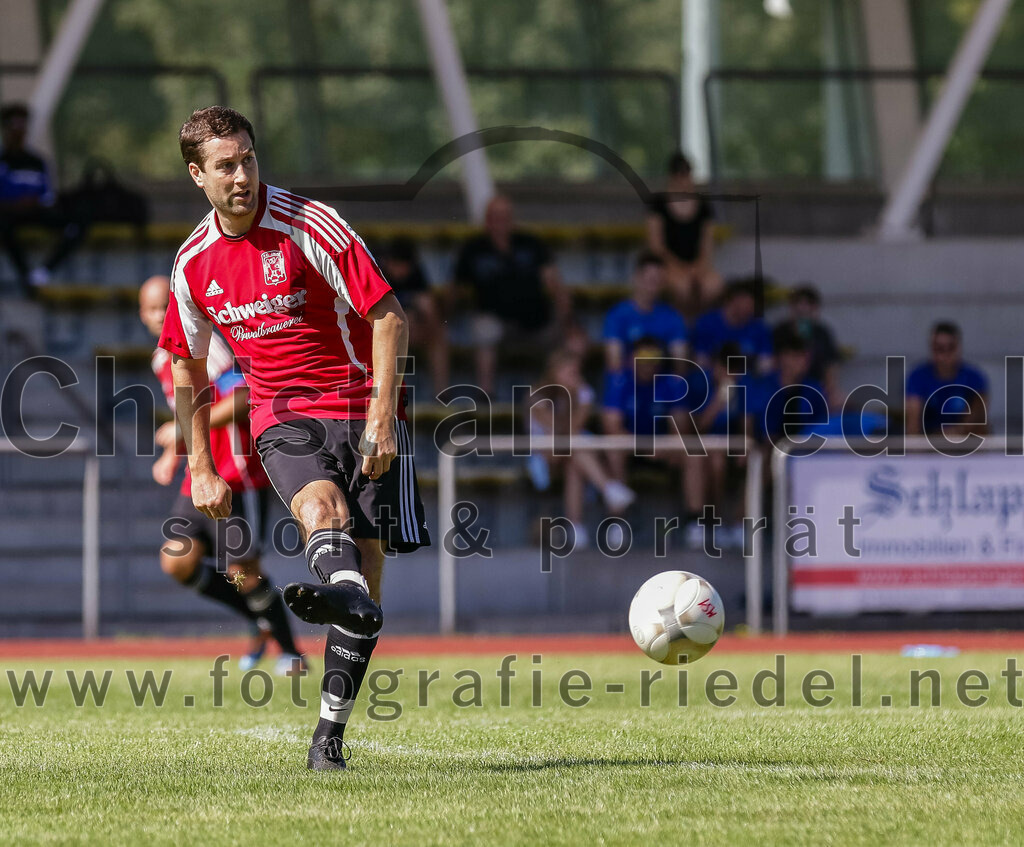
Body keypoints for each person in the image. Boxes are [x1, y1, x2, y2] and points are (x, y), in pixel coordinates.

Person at [158, 106, 430, 771]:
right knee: (319, 509)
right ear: (197, 175)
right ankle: (342, 590)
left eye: (248, 159)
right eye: (226, 165)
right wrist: (201, 466)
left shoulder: (311, 225)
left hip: (362, 404)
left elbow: (390, 316)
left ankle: (327, 735)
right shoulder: (192, 263)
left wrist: (381, 416)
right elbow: (187, 368)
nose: (242, 175)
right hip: (281, 416)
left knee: (367, 576)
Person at [140, 274, 303, 675]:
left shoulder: (206, 345)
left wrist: (181, 431)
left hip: (236, 475)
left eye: (166, 306)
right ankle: (258, 620)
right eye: (152, 309)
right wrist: (174, 453)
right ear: (142, 314)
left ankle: (290, 653)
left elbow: (243, 397)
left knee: (243, 572)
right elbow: (191, 411)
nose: (160, 315)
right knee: (177, 560)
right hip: (198, 478)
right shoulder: (162, 359)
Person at [453, 194, 570, 394]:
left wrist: (567, 317)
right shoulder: (473, 249)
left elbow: (554, 283)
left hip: (536, 319)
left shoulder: (531, 243)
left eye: (505, 216)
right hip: (495, 320)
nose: (501, 221)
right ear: (487, 220)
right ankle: (486, 393)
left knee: (570, 339)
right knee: (484, 330)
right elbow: (456, 289)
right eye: (495, 216)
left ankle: (556, 393)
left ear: (512, 219)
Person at [527, 348, 635, 546]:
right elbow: (558, 430)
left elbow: (575, 428)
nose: (574, 377)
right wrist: (576, 403)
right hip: (545, 453)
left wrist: (580, 399)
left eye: (576, 372)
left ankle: (577, 529)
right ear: (554, 372)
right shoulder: (537, 394)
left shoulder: (583, 392)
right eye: (569, 372)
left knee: (576, 463)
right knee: (576, 445)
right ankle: (609, 490)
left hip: (573, 450)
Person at [0, 103, 86, 294]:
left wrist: (34, 204)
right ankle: (25, 276)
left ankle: (42, 273)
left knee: (77, 222)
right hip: (8, 216)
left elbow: (48, 197)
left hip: (35, 212)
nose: (18, 131)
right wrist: (15, 205)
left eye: (22, 125)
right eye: (13, 125)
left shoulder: (37, 162)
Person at [646, 151, 722, 314]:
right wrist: (678, 267)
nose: (683, 180)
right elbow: (657, 247)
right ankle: (680, 323)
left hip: (697, 265)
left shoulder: (703, 207)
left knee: (712, 285)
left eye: (686, 175)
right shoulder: (658, 205)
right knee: (682, 286)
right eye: (679, 175)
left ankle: (700, 323)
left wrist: (697, 267)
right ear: (671, 177)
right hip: (669, 265)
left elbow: (707, 246)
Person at [380, 237, 449, 393]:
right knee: (395, 328)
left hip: (412, 328)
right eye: (397, 266)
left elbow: (430, 308)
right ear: (388, 262)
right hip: (380, 331)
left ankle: (441, 392)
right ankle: (388, 393)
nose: (401, 271)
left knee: (438, 335)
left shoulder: (415, 273)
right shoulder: (378, 273)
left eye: (404, 266)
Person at [602, 250, 688, 376]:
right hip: (628, 380)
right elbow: (614, 363)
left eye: (658, 281)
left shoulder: (672, 317)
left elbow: (680, 365)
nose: (653, 287)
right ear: (636, 278)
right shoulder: (617, 315)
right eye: (650, 280)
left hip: (660, 381)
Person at [906, 321, 988, 437]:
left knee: (982, 429)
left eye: (950, 348)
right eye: (939, 349)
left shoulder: (973, 378)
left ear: (958, 348)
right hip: (928, 439)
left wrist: (955, 433)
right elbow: (913, 424)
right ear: (932, 348)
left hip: (963, 438)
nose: (944, 355)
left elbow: (977, 417)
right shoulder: (917, 377)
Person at [773, 284, 842, 406]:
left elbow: (831, 364)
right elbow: (772, 361)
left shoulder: (822, 332)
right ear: (791, 307)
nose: (803, 309)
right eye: (798, 304)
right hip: (785, 386)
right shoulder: (780, 331)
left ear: (815, 308)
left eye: (808, 304)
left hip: (816, 386)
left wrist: (831, 390)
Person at [692, 279, 773, 375]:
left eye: (753, 304)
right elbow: (700, 359)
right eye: (745, 301)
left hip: (746, 378)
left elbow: (766, 362)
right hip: (712, 376)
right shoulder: (707, 323)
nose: (749, 307)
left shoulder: (759, 328)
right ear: (733, 299)